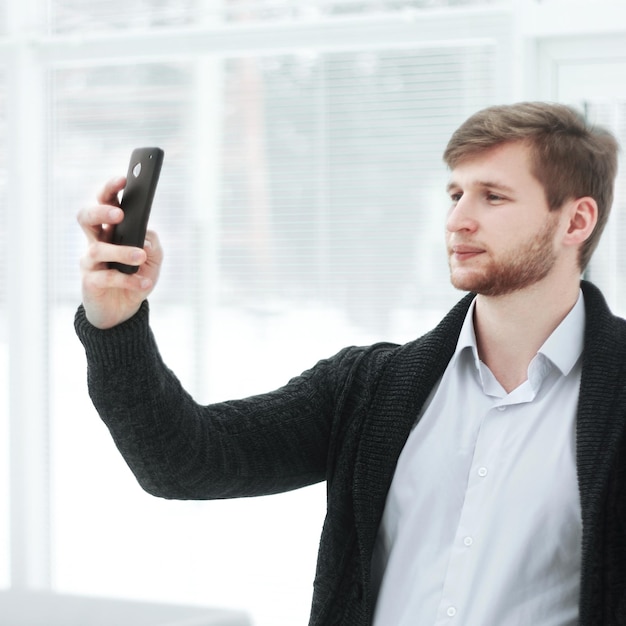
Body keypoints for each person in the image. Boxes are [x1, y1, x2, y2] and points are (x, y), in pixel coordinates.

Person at [75, 102, 626, 626]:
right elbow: (183, 461)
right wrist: (114, 324)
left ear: (575, 222)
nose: (458, 219)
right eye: (455, 194)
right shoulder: (370, 389)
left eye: (493, 197)